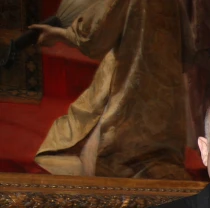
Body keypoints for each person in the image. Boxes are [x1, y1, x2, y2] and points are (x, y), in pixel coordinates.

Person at [30, 0, 193, 179]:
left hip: (128, 77)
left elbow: (95, 35)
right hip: (164, 90)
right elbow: (188, 53)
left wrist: (60, 34)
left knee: (103, 146)